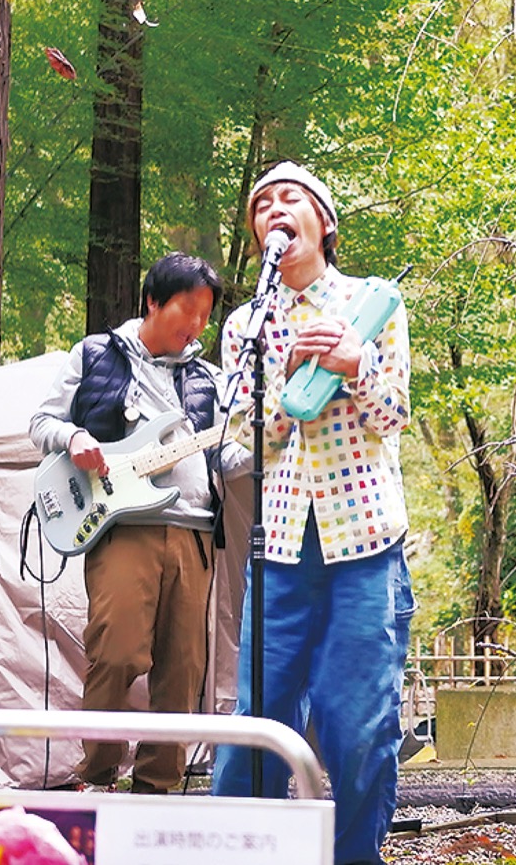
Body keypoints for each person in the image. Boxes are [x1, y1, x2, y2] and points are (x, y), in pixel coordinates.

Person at [211, 162, 413, 865]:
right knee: (257, 721)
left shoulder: (372, 301)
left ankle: (354, 856)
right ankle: (244, 857)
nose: (274, 209)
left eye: (289, 198)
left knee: (355, 722)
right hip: (279, 546)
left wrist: (357, 366)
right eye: (262, 204)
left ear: (323, 222)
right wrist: (288, 376)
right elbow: (248, 440)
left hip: (364, 541)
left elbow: (395, 416)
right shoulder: (246, 325)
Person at [29, 252, 247, 793]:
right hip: (121, 529)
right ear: (152, 301)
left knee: (183, 669)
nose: (196, 325)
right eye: (187, 310)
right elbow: (42, 422)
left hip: (195, 533)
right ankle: (98, 774)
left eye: (205, 316)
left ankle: (158, 788)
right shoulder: (95, 354)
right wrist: (74, 437)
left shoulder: (209, 380)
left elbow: (226, 457)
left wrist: (268, 443)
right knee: (117, 651)